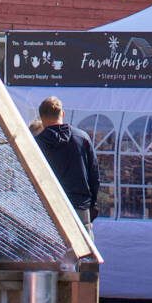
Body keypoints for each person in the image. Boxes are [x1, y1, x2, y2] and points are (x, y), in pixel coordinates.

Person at [32, 97, 100, 231]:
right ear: (62, 114)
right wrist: (92, 205)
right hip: (79, 205)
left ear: (41, 117)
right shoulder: (82, 138)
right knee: (82, 244)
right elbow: (94, 175)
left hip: (49, 207)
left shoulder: (35, 144)